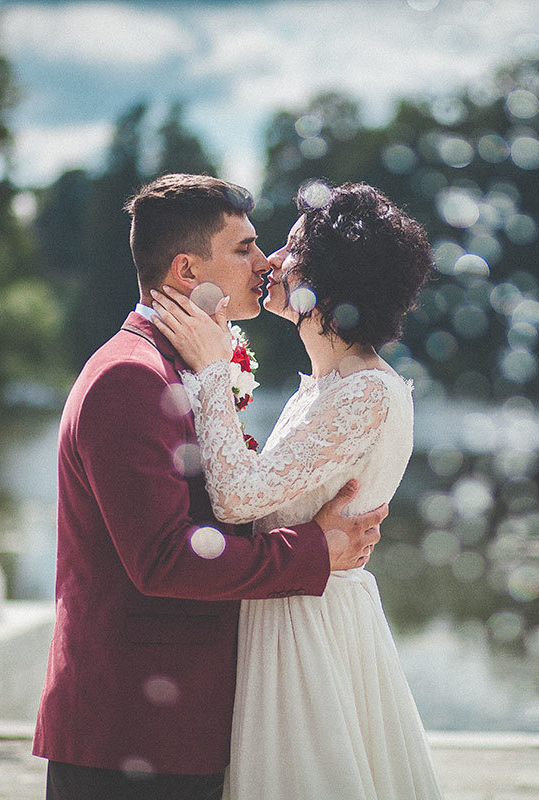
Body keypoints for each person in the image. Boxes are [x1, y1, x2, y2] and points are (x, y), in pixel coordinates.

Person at [32, 173, 386, 800]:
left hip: (180, 718)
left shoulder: (187, 365)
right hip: (133, 728)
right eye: (245, 248)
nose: (266, 261)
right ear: (188, 270)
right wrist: (314, 552)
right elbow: (164, 558)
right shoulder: (130, 378)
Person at [148, 181, 443, 799]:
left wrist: (210, 369)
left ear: (330, 279)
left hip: (310, 629)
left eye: (292, 249)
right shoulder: (325, 387)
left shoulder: (365, 391)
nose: (272, 263)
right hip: (288, 609)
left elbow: (235, 498)